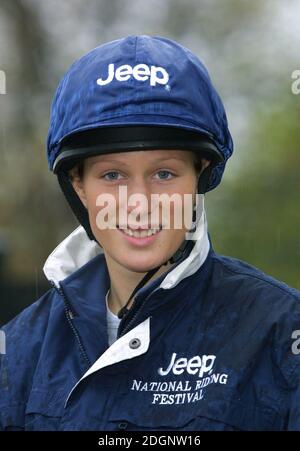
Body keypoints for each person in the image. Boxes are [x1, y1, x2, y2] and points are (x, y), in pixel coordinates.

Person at [1, 35, 300, 431]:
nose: (139, 202)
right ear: (78, 185)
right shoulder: (18, 350)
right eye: (112, 175)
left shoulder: (281, 332)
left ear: (200, 176)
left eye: (164, 174)